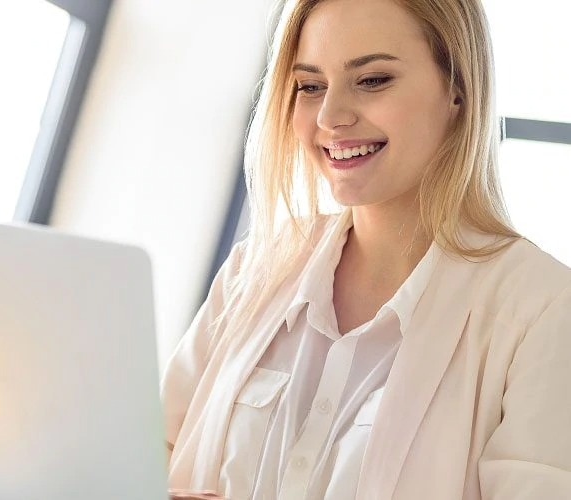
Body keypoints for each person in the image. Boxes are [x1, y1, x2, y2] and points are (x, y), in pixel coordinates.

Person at [163, 0, 571, 498]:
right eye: (310, 86)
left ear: (458, 90)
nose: (331, 116)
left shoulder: (545, 310)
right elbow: (141, 458)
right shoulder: (254, 268)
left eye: (373, 80)